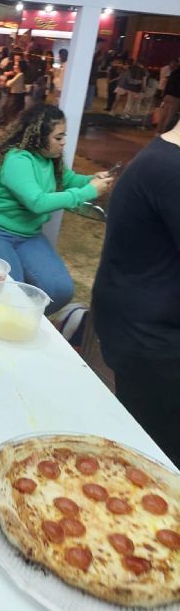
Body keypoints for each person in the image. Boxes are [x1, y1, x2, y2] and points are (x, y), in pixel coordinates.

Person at [92, 116, 180, 468]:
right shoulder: (170, 170)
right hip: (152, 342)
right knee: (156, 462)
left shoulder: (163, 159)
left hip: (143, 327)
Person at [0, 104, 113, 313]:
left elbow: (70, 179)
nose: (64, 142)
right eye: (58, 137)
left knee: (60, 291)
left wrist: (93, 179)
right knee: (8, 294)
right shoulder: (16, 159)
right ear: (38, 136)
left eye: (64, 136)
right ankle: (9, 324)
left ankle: (23, 322)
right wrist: (89, 191)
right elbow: (38, 203)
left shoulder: (49, 159)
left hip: (28, 235)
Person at [156, 58, 180, 134]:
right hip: (176, 97)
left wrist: (164, 94)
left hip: (167, 95)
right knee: (170, 116)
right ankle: (164, 132)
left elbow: (167, 84)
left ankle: (158, 131)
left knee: (163, 114)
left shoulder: (173, 73)